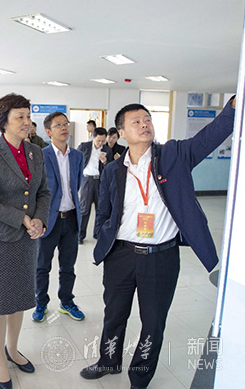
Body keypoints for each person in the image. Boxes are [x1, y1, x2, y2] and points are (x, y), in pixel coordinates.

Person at [80, 97, 236, 389]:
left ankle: (139, 377)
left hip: (160, 257)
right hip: (120, 255)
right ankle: (108, 360)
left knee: (153, 322)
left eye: (147, 119)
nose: (144, 124)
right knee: (114, 315)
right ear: (121, 133)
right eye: (136, 121)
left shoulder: (174, 155)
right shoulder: (113, 169)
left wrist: (233, 107)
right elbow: (104, 211)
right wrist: (103, 235)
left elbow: (210, 137)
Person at [0, 93, 51, 389]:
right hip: (0, 238)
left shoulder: (35, 152)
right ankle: (0, 358)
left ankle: (13, 349)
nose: (27, 121)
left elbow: (43, 192)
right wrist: (21, 218)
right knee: (0, 302)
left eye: (28, 116)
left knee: (19, 298)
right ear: (3, 122)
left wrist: (39, 220)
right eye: (20, 116)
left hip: (27, 238)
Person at [33, 112, 85, 323]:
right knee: (42, 266)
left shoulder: (77, 156)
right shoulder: (41, 155)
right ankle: (41, 303)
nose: (64, 128)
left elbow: (76, 185)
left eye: (66, 124)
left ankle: (66, 302)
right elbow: (36, 189)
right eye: (58, 125)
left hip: (71, 218)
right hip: (48, 219)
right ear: (48, 131)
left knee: (68, 266)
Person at [77, 127, 113, 244]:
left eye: (103, 141)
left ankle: (98, 233)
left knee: (101, 209)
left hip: (100, 182)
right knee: (84, 209)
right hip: (87, 180)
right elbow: (76, 161)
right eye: (98, 140)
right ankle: (80, 235)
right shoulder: (84, 146)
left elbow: (110, 168)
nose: (100, 143)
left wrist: (105, 162)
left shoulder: (107, 150)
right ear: (93, 137)